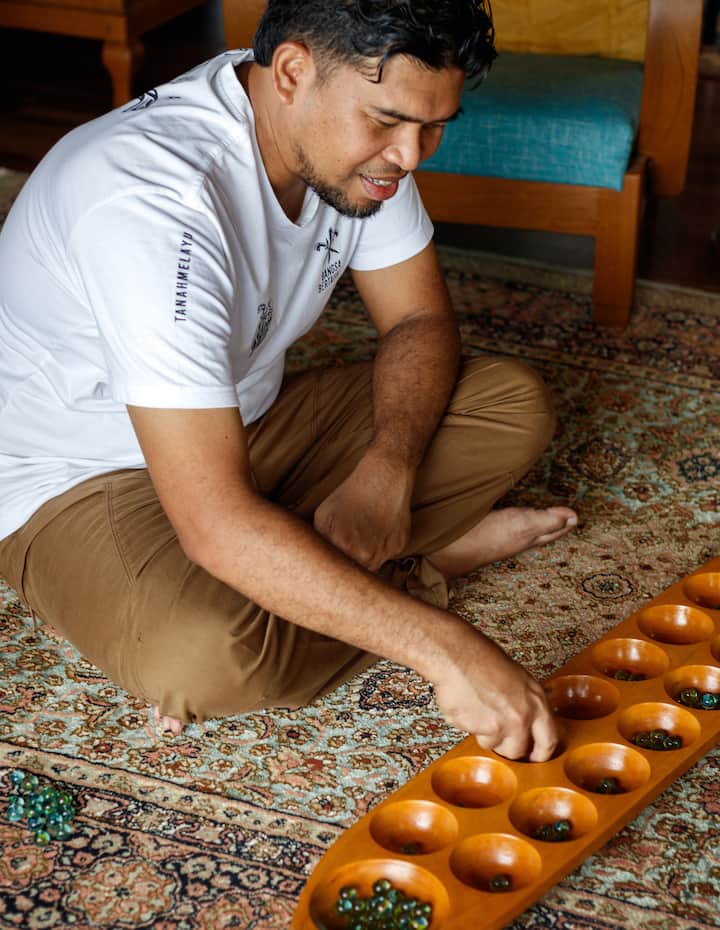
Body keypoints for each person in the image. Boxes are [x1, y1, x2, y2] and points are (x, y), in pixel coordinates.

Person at [0, 0, 577, 763]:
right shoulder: (150, 203)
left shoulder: (359, 146)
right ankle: (425, 567)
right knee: (202, 652)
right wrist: (443, 647)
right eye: (390, 122)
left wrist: (388, 468)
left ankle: (312, 572)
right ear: (293, 73)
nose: (411, 156)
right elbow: (211, 521)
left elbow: (418, 325)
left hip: (243, 428)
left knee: (510, 403)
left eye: (434, 126)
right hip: (75, 478)